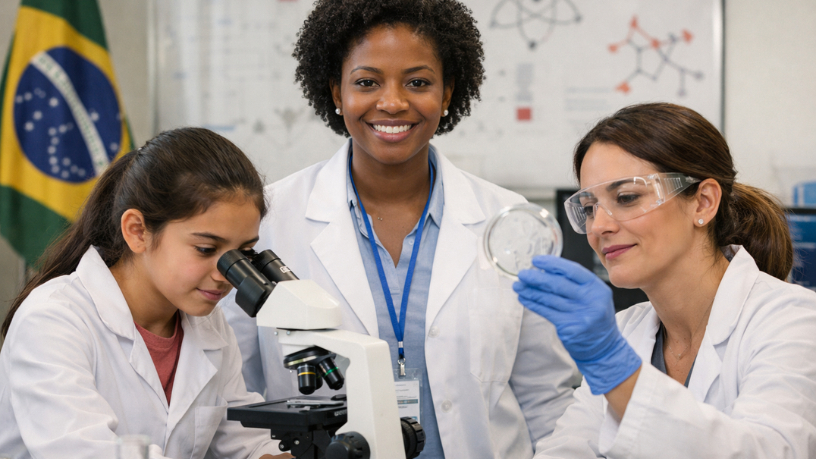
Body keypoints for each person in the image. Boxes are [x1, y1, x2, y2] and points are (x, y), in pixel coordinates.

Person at [221, 0, 579, 457]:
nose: (392, 102)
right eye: (366, 82)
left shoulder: (509, 220)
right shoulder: (269, 218)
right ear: (336, 92)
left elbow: (545, 396)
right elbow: (234, 389)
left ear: (447, 94)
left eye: (418, 82)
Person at [513, 103, 816, 458]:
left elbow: (770, 451)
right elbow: (567, 450)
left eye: (626, 198)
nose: (599, 227)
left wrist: (614, 367)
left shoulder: (792, 320)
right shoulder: (624, 331)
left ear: (703, 203)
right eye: (590, 207)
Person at [0, 128, 291, 459]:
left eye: (243, 253)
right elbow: (85, 452)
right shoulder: (53, 320)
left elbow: (244, 440)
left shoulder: (208, 325)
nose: (226, 274)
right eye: (206, 249)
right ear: (137, 231)